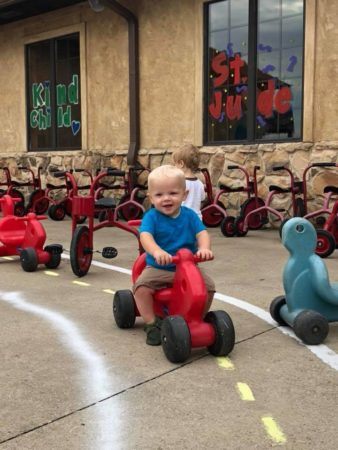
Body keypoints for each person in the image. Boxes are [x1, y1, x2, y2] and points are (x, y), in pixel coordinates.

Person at [133, 164, 215, 346]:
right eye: (159, 195)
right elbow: (145, 236)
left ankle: (195, 319)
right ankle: (151, 324)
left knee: (208, 287)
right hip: (159, 267)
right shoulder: (151, 217)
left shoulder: (190, 216)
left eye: (173, 193)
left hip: (186, 267)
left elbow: (202, 233)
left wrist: (204, 248)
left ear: (184, 195)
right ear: (151, 198)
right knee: (141, 288)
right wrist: (157, 251)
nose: (166, 199)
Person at [172, 144, 206, 219]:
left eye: (175, 164)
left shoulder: (179, 182)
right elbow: (202, 200)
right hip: (197, 220)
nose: (174, 167)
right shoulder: (200, 183)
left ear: (181, 163)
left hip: (182, 219)